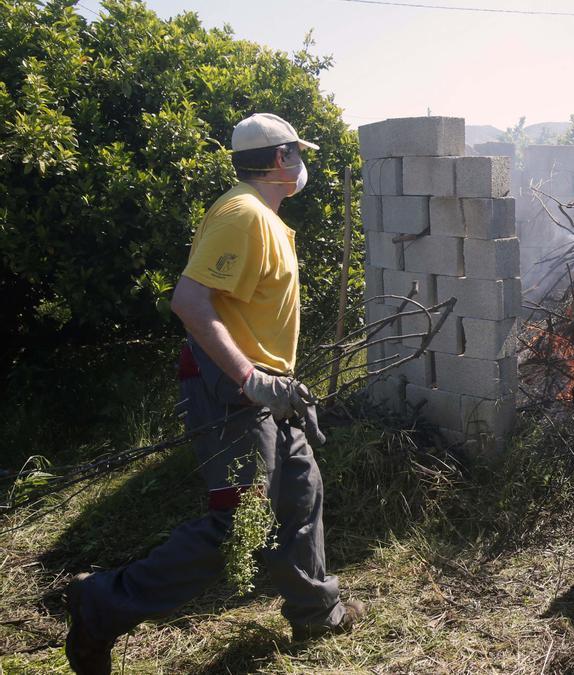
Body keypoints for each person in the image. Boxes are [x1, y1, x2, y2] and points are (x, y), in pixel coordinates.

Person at [64, 113, 364, 675]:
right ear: (280, 160)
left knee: (301, 493)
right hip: (233, 390)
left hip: (269, 390)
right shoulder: (241, 214)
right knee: (238, 524)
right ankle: (100, 603)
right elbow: (189, 301)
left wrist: (277, 384)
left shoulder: (262, 217)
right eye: (297, 153)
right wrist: (250, 379)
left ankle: (316, 610)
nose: (303, 164)